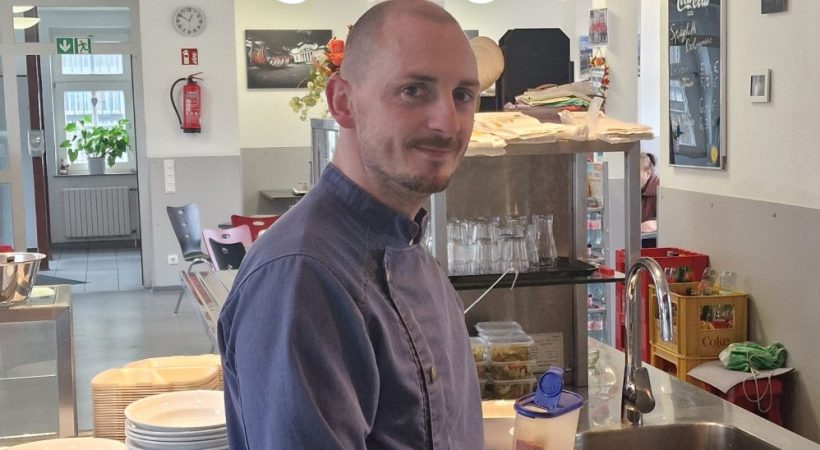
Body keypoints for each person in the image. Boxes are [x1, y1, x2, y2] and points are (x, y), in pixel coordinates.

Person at [217, 1, 483, 449]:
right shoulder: (302, 276)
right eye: (413, 90)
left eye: (463, 95)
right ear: (342, 102)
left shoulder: (410, 247)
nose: (447, 122)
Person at [640, 152, 659, 234]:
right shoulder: (635, 189)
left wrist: (657, 223)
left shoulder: (660, 190)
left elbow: (673, 220)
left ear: (648, 174)